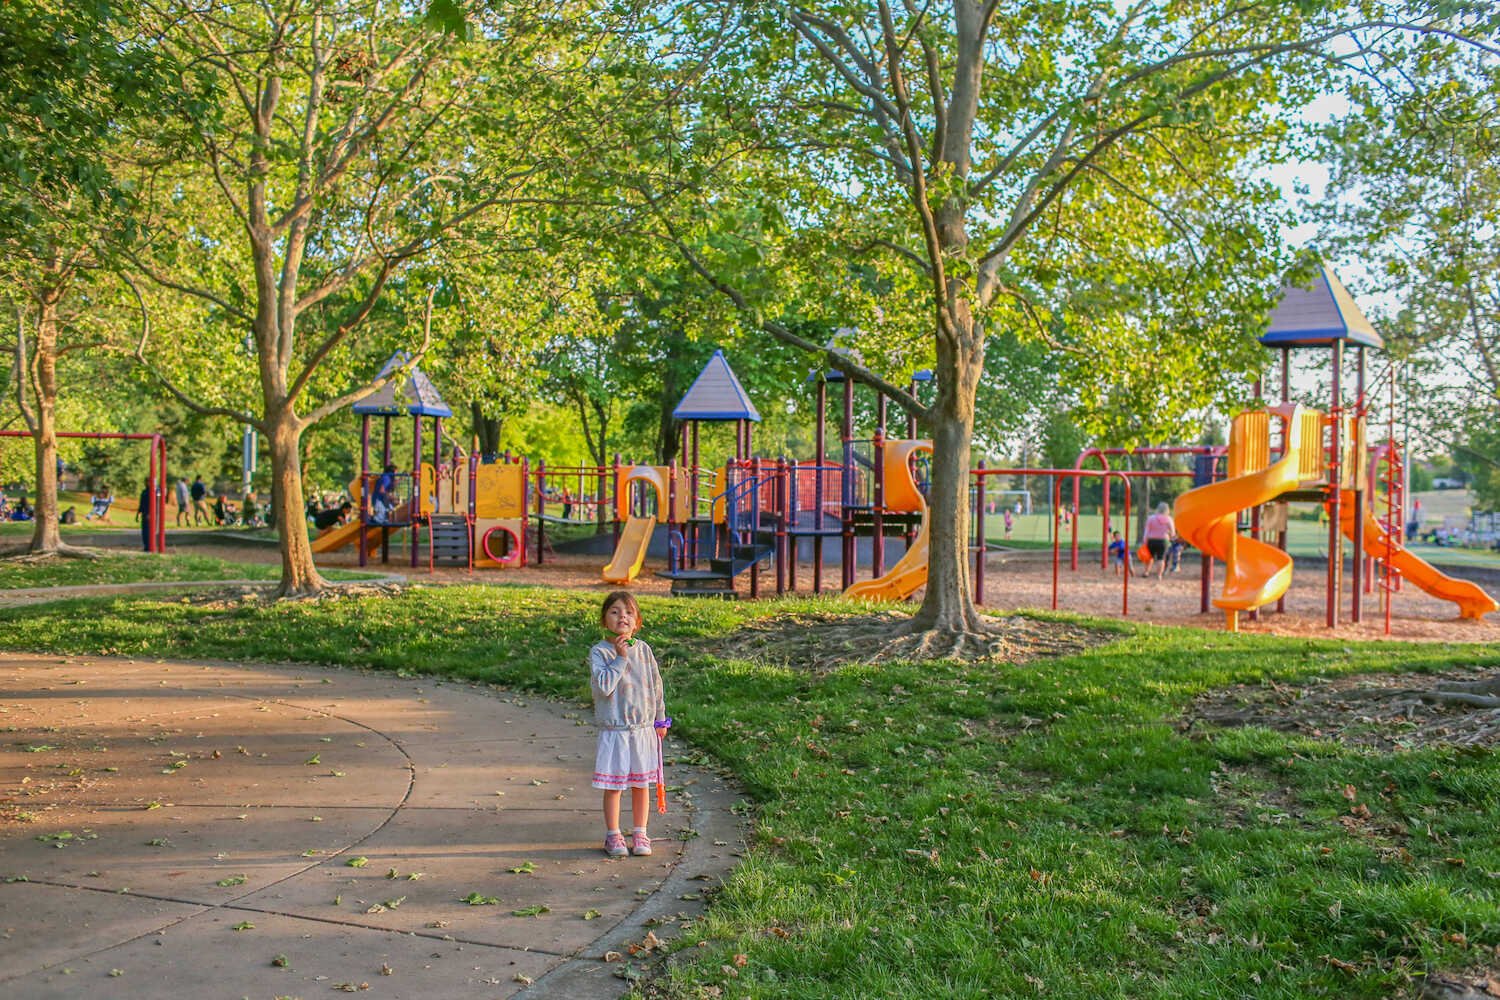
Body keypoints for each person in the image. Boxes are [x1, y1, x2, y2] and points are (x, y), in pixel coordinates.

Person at [589, 591, 669, 859]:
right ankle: (613, 834)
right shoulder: (600, 652)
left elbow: (655, 685)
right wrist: (620, 658)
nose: (622, 616)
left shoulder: (644, 650)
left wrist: (660, 718)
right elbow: (603, 687)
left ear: (637, 621)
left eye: (629, 612)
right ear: (604, 620)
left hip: (643, 729)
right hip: (616, 731)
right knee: (615, 786)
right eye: (614, 611)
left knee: (641, 784)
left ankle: (640, 831)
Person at [1142, 502, 1176, 580]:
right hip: (1163, 541)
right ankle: (1159, 575)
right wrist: (1170, 536)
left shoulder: (1151, 518)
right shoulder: (1169, 519)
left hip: (1151, 540)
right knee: (1161, 558)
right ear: (1167, 510)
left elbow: (1146, 531)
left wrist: (1145, 541)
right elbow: (1173, 532)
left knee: (1150, 557)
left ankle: (1146, 572)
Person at [135, 477, 153, 552]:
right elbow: (142, 504)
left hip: (149, 514)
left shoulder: (152, 492)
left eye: (148, 482)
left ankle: (149, 546)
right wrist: (138, 513)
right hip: (144, 513)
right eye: (146, 482)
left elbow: (152, 504)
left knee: (148, 531)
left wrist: (150, 513)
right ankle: (146, 546)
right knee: (144, 531)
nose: (146, 483)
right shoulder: (144, 492)